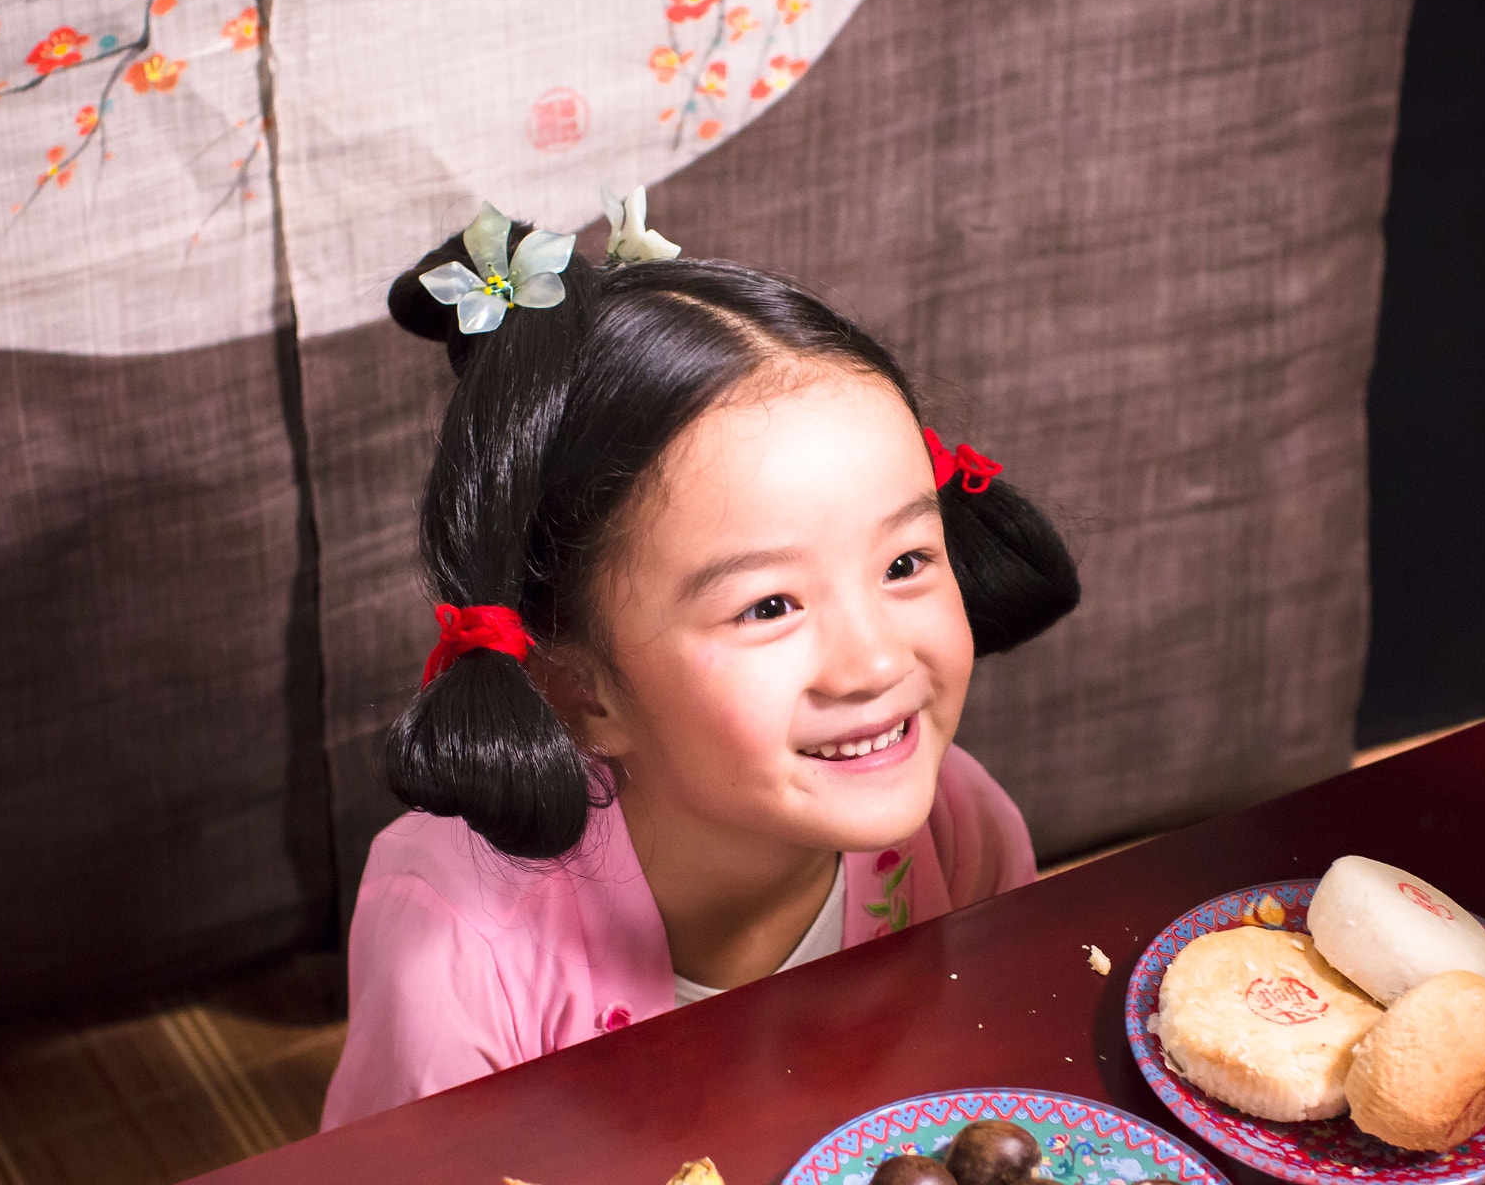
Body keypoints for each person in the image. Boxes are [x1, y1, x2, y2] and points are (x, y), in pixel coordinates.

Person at [321, 199, 1079, 1129]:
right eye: (769, 606)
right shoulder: (458, 940)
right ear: (578, 692)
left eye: (905, 564)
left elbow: (1018, 1104)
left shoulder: (960, 830)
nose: (876, 658)